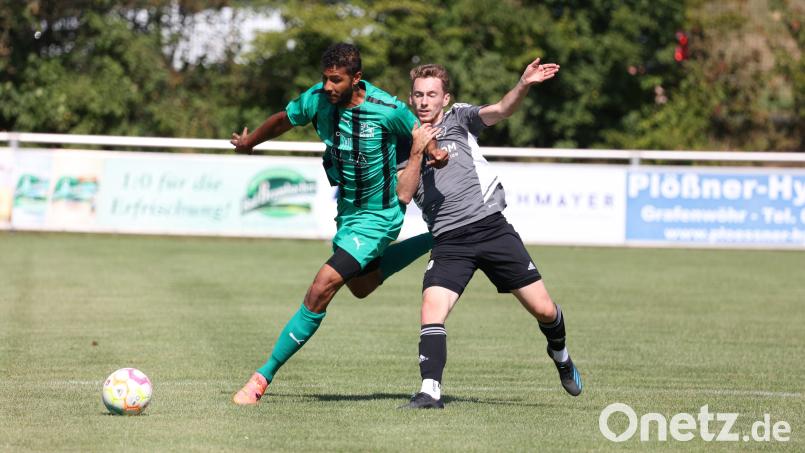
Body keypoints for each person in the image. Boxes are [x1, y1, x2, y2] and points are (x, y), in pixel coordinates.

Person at [230, 43, 444, 405]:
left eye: (336, 80)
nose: (328, 87)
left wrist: (435, 152)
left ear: (356, 79)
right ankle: (434, 240)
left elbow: (420, 135)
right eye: (325, 79)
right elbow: (285, 118)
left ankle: (261, 378)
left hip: (380, 216)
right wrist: (251, 141)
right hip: (349, 214)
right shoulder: (318, 99)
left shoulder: (387, 109)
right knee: (361, 286)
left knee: (321, 286)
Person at [397, 58, 583, 409]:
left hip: (490, 229)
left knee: (544, 310)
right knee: (431, 308)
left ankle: (560, 354)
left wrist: (524, 84)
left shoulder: (460, 118)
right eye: (418, 95)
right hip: (450, 241)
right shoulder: (402, 142)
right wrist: (417, 151)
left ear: (445, 98)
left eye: (431, 94)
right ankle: (429, 390)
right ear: (411, 99)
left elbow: (501, 109)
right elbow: (404, 194)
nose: (424, 101)